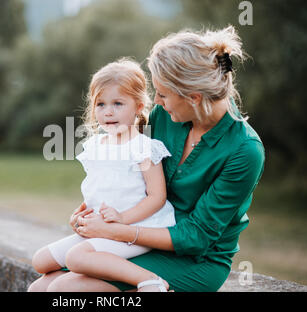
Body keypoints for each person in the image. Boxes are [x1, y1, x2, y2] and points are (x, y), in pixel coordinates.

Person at [28, 25, 265, 292]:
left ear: (194, 97)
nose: (157, 102)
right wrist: (89, 213)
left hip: (194, 258)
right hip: (138, 232)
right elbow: (127, 171)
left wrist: (117, 231)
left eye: (162, 94)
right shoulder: (167, 115)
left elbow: (197, 237)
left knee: (67, 289)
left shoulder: (245, 150)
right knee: (41, 287)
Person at [30, 59, 176, 292]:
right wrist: (81, 216)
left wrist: (122, 219)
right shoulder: (95, 145)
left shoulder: (143, 147)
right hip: (101, 227)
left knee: (76, 257)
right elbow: (101, 187)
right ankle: (90, 270)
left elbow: (157, 197)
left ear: (138, 106)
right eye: (101, 104)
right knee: (40, 261)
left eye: (118, 103)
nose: (108, 112)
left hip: (135, 229)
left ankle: (150, 280)